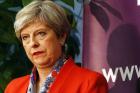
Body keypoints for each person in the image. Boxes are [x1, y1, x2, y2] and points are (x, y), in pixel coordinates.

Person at [4, 0, 108, 93]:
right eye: (25, 37)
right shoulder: (13, 88)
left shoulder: (90, 82)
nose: (32, 43)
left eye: (41, 34)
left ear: (61, 36)